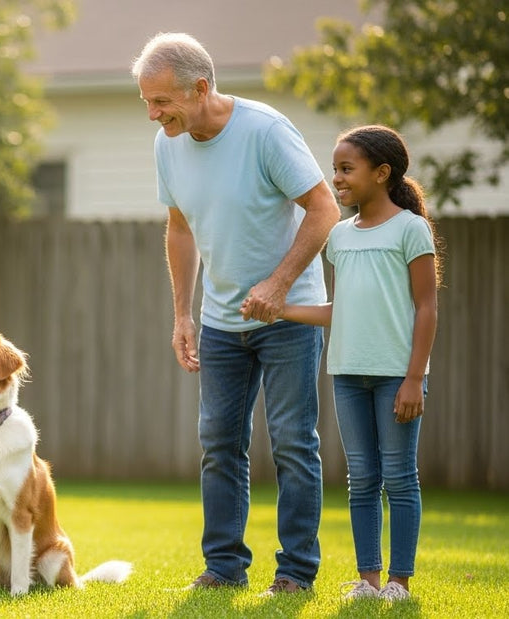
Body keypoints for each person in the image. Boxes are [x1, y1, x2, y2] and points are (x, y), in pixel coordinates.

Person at [131, 32, 341, 596]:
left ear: (201, 87)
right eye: (146, 103)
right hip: (222, 322)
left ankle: (296, 572)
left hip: (288, 318)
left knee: (294, 443)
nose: (153, 115)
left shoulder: (265, 132)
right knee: (219, 443)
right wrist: (181, 314)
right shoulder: (168, 144)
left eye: (162, 102)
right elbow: (179, 228)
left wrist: (278, 284)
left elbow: (324, 208)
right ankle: (223, 568)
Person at [274, 125, 439, 603]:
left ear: (382, 173)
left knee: (400, 477)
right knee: (361, 478)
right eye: (335, 169)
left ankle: (398, 583)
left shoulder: (412, 229)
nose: (337, 179)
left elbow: (426, 306)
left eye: (347, 169)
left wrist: (414, 378)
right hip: (347, 375)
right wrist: (279, 307)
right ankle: (367, 581)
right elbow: (339, 310)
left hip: (397, 378)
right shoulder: (340, 236)